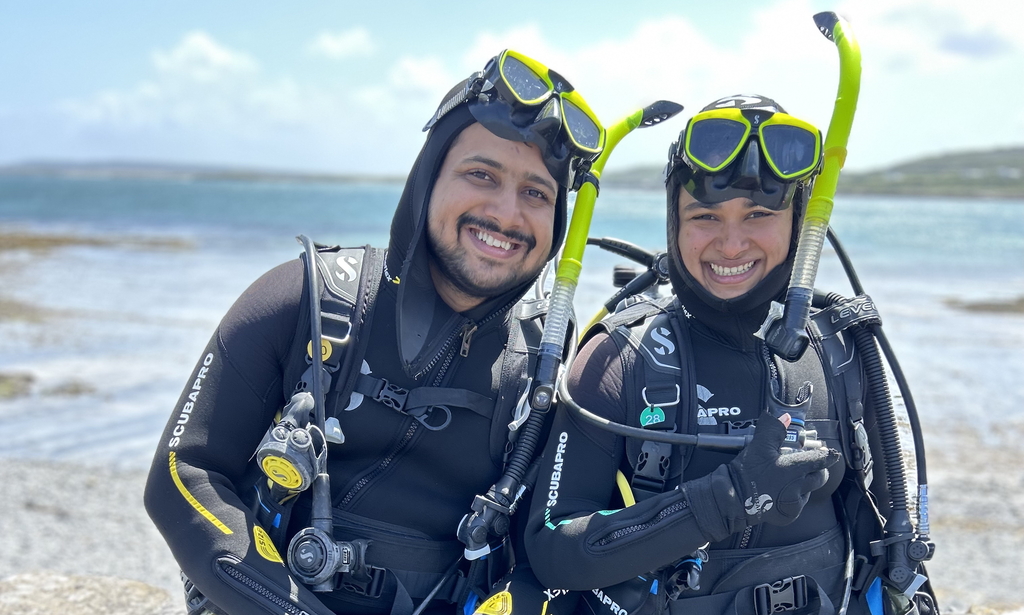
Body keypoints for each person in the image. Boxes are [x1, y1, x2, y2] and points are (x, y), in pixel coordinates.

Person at [144, 49, 604, 615]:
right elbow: (183, 474)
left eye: (536, 193)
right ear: (428, 177)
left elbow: (545, 558)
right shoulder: (308, 300)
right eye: (481, 174)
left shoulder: (542, 371)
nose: (507, 214)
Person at [524, 95, 938, 615]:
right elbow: (551, 549)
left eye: (760, 214)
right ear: (673, 222)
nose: (732, 243)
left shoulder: (841, 349)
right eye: (705, 215)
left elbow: (889, 541)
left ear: (800, 223)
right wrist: (726, 499)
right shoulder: (618, 360)